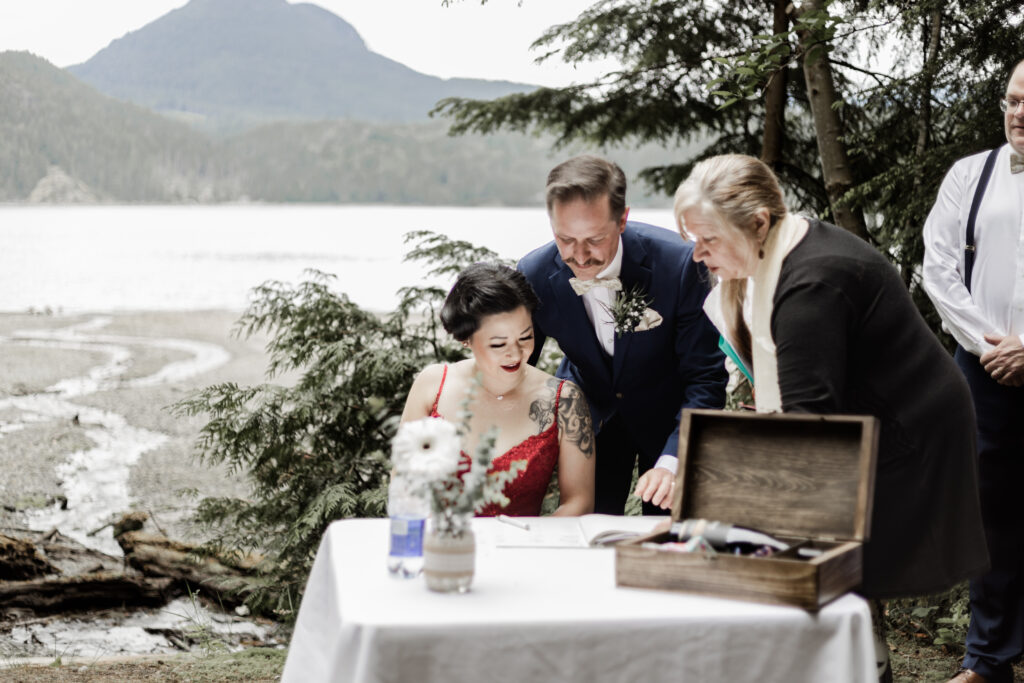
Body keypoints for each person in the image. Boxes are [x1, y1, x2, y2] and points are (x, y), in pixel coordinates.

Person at [674, 153, 989, 682]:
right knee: (829, 562)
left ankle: (862, 669)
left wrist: (729, 487)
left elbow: (807, 435)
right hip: (857, 414)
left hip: (906, 430)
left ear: (758, 222)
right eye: (690, 238)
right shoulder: (780, 247)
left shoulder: (812, 285)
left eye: (707, 239)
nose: (697, 254)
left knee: (841, 570)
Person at [517, 155, 728, 515]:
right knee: (584, 532)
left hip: (669, 422)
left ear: (623, 219)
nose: (579, 256)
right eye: (564, 239)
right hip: (590, 420)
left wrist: (672, 461)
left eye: (595, 239)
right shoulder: (534, 273)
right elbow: (516, 366)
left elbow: (705, 379)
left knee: (665, 538)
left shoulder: (680, 267)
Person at [922, 59, 1024, 683]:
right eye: (1013, 100)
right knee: (991, 517)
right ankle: (988, 661)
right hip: (984, 371)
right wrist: (992, 348)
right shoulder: (971, 174)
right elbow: (938, 269)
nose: (1019, 114)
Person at [401, 261, 595, 517]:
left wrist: (530, 542)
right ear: (465, 339)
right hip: (442, 547)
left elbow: (579, 502)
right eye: (497, 344)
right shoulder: (432, 385)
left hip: (524, 549)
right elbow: (404, 486)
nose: (515, 353)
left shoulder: (565, 401)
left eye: (525, 337)